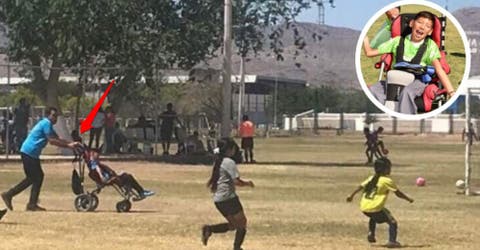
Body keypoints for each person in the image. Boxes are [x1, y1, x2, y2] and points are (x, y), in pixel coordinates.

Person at [364, 11, 455, 114]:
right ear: (412, 23)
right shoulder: (397, 41)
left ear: (430, 31)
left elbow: (439, 70)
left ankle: (405, 117)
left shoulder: (430, 46)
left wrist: (451, 92)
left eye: (427, 26)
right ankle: (388, 113)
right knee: (373, 90)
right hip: (395, 79)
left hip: (417, 81)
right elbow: (369, 52)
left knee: (407, 93)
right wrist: (364, 38)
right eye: (420, 22)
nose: (422, 27)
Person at [1, 107, 82, 211]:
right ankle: (14, 196)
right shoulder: (46, 123)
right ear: (48, 115)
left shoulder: (48, 125)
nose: (55, 118)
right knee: (35, 177)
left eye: (56, 116)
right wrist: (69, 146)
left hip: (31, 153)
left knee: (35, 177)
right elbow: (52, 141)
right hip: (29, 152)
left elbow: (57, 138)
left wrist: (71, 143)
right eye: (53, 115)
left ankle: (26, 201)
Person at [347, 157, 414, 247]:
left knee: (373, 216)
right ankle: (392, 241)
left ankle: (371, 233)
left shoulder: (371, 178)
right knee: (392, 222)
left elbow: (360, 186)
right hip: (376, 207)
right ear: (385, 169)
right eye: (389, 167)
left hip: (364, 207)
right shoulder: (387, 180)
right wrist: (408, 199)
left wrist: (351, 196)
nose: (390, 169)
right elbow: (398, 193)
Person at [201, 138, 254, 250]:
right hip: (229, 198)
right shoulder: (229, 162)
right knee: (242, 223)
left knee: (233, 225)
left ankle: (209, 229)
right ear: (230, 149)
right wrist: (247, 183)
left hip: (219, 200)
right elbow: (236, 181)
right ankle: (237, 247)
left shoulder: (218, 161)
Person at [87, 148, 154, 199]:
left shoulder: (96, 162)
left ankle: (141, 192)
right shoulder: (93, 162)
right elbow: (97, 168)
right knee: (127, 177)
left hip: (110, 177)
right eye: (97, 153)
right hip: (108, 179)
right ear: (92, 153)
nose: (98, 155)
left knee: (128, 176)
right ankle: (140, 192)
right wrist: (101, 176)